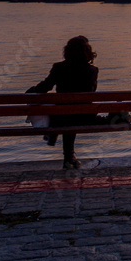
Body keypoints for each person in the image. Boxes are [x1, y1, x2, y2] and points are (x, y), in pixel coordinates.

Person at [26, 35, 98, 169]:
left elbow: (45, 87)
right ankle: (69, 157)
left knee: (63, 112)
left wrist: (31, 90)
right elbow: (91, 93)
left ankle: (65, 152)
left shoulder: (58, 67)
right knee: (72, 112)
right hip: (85, 116)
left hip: (61, 117)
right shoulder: (92, 70)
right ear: (87, 51)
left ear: (67, 51)